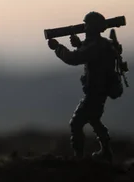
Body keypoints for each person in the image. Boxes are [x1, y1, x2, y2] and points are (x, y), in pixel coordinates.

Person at [47, 12, 118, 163]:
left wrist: (58, 48)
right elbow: (92, 57)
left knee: (76, 123)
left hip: (95, 91)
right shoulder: (103, 43)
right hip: (100, 89)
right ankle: (106, 151)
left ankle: (79, 157)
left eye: (86, 25)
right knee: (94, 119)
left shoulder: (95, 46)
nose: (84, 28)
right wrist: (79, 44)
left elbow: (74, 59)